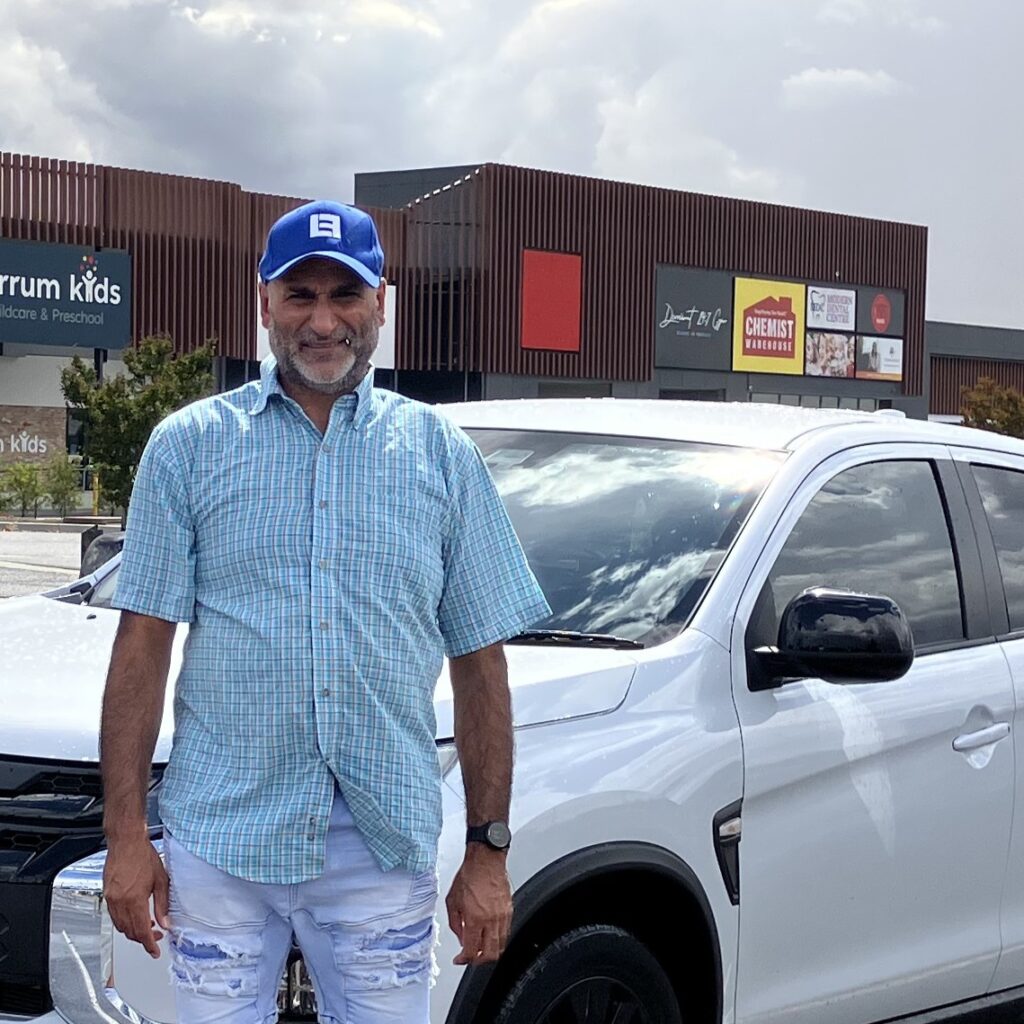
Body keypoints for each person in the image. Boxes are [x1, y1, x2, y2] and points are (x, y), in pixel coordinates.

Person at [99, 199, 551, 1024]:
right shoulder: (189, 445)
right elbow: (141, 645)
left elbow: (482, 661)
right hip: (222, 840)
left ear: (382, 300)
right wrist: (127, 837)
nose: (323, 321)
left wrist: (488, 851)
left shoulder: (440, 455)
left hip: (381, 846)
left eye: (344, 296)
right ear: (264, 300)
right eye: (299, 295)